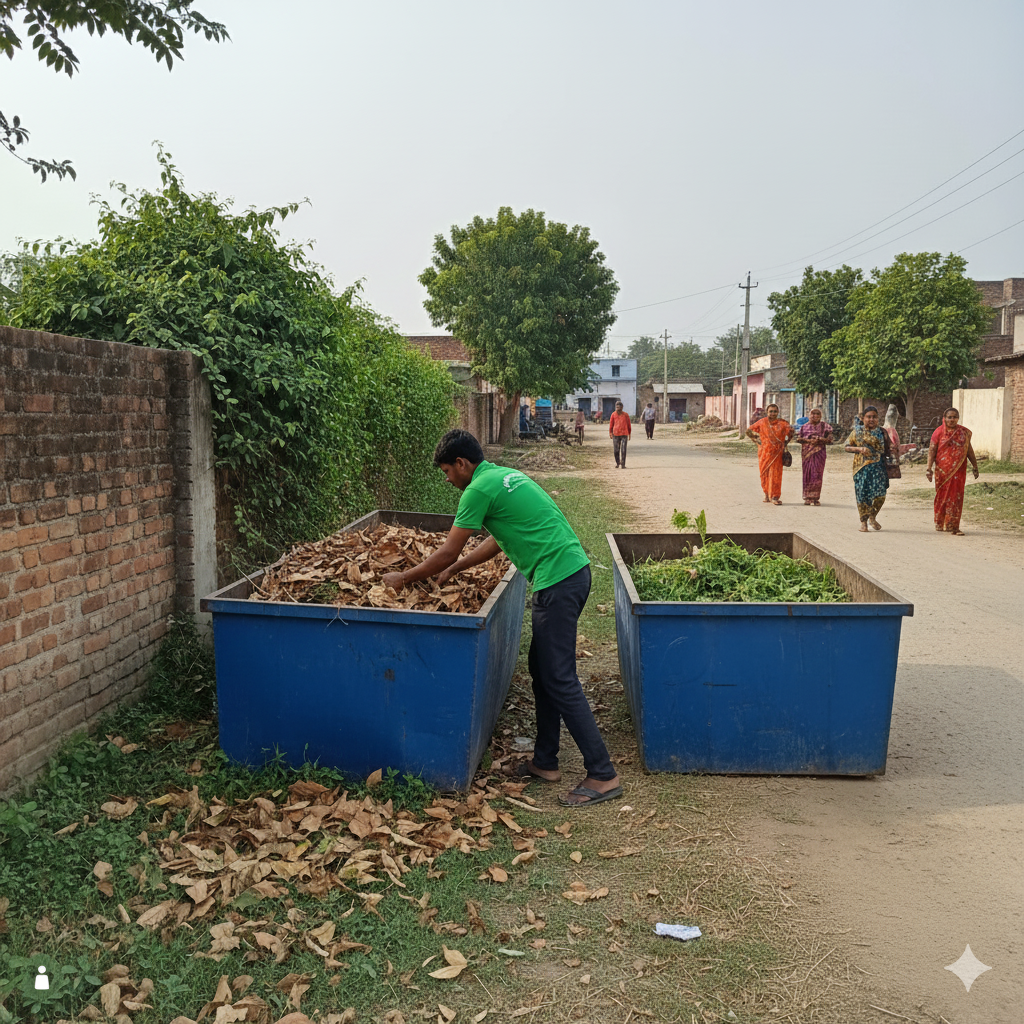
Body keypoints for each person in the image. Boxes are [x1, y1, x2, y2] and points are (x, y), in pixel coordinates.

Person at [381, 429, 622, 807]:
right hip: (569, 573)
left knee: (558, 677)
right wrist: (459, 567)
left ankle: (603, 774)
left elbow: (446, 549)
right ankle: (546, 762)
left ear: (462, 464)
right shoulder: (503, 477)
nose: (447, 480)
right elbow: (499, 538)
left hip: (557, 580)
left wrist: (404, 577)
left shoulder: (477, 489)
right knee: (542, 671)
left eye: (447, 471)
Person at [926, 407, 979, 535]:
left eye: (954, 417)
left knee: (956, 497)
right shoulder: (938, 432)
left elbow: (969, 450)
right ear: (944, 418)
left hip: (958, 471)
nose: (952, 419)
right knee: (942, 496)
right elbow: (932, 450)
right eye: (949, 417)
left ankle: (953, 525)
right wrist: (929, 468)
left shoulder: (963, 433)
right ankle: (940, 522)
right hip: (942, 472)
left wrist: (975, 466)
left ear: (958, 418)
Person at [843, 406, 891, 532]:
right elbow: (846, 447)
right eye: (868, 417)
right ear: (863, 418)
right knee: (862, 495)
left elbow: (890, 449)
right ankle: (863, 522)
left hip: (879, 468)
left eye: (874, 417)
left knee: (880, 495)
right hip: (861, 469)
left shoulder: (882, 432)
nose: (871, 419)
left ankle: (873, 516)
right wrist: (859, 449)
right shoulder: (857, 431)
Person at [746, 403, 793, 504]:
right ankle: (767, 494)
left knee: (776, 475)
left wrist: (785, 442)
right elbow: (749, 431)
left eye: (775, 411)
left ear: (778, 412)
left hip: (777, 453)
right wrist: (756, 440)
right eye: (770, 411)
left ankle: (775, 496)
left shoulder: (783, 423)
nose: (773, 413)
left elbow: (791, 432)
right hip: (764, 452)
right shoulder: (762, 422)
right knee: (764, 474)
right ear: (767, 412)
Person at [794, 408, 833, 505]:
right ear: (809, 415)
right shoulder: (804, 427)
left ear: (821, 416)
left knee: (817, 474)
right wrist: (808, 441)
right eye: (813, 414)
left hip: (819, 453)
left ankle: (815, 498)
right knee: (807, 474)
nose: (815, 416)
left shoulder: (825, 426)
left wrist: (820, 439)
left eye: (817, 414)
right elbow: (798, 439)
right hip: (807, 455)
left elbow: (830, 439)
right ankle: (807, 497)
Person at [609, 400, 631, 468]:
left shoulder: (625, 415)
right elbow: (611, 424)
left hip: (624, 434)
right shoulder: (613, 414)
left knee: (623, 449)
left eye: (619, 407)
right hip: (615, 434)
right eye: (617, 407)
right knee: (616, 450)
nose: (618, 409)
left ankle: (623, 464)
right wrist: (610, 432)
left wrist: (629, 433)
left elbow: (628, 424)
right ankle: (618, 463)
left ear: (622, 407)